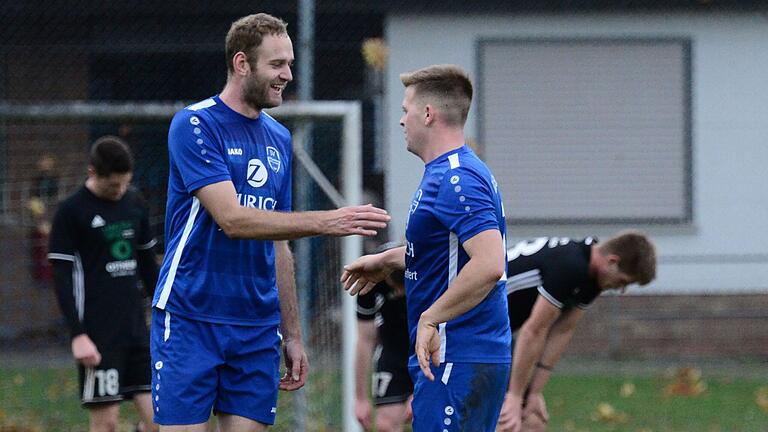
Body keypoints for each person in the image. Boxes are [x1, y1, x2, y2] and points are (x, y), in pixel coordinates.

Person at [149, 13, 389, 432]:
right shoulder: (195, 124)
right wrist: (328, 221)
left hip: (257, 328)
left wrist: (292, 333)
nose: (288, 75)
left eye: (291, 64)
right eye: (277, 65)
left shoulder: (278, 137)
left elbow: (278, 240)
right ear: (242, 64)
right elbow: (233, 219)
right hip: (192, 317)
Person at [342, 64, 511, 431]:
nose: (402, 120)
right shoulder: (446, 173)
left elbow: (489, 263)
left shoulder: (458, 178)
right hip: (451, 356)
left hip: (457, 353)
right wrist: (388, 260)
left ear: (428, 114)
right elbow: (451, 255)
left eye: (405, 110)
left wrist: (431, 318)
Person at [48, 135, 160, 432]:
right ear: (92, 173)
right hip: (98, 335)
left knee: (160, 422)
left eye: (125, 183)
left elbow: (149, 267)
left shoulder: (135, 202)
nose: (120, 191)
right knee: (106, 424)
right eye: (113, 186)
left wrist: (167, 314)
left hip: (136, 331)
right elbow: (62, 278)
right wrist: (78, 334)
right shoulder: (71, 212)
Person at [496, 231, 657, 432]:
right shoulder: (571, 265)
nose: (621, 289)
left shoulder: (592, 276)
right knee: (507, 420)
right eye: (623, 281)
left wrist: (535, 392)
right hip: (469, 326)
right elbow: (534, 330)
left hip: (495, 335)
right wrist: (515, 395)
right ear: (612, 261)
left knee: (533, 421)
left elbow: (563, 330)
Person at [354, 243, 412, 432]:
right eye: (394, 288)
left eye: (403, 289)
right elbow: (365, 339)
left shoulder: (431, 273)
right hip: (393, 351)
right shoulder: (368, 280)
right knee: (385, 425)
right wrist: (361, 398)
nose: (398, 294)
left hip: (433, 350)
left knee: (430, 419)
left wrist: (428, 385)